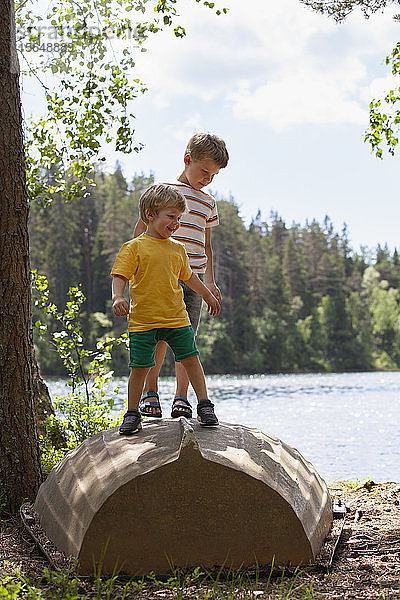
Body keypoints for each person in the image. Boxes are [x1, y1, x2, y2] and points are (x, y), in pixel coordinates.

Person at [111, 183, 221, 435]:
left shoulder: (177, 249)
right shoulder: (134, 247)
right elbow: (120, 275)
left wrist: (207, 295)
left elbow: (190, 278)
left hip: (176, 319)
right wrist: (118, 297)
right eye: (171, 217)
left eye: (179, 218)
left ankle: (204, 404)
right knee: (139, 367)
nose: (176, 223)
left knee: (191, 359)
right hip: (143, 321)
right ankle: (132, 413)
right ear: (150, 215)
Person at [133, 133, 229, 420]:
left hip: (194, 278)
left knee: (186, 339)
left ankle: (181, 397)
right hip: (161, 277)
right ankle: (150, 391)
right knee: (158, 337)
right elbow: (140, 234)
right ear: (187, 160)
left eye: (213, 175)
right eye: (204, 172)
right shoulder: (162, 191)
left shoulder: (208, 203)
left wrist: (209, 282)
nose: (208, 179)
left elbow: (207, 245)